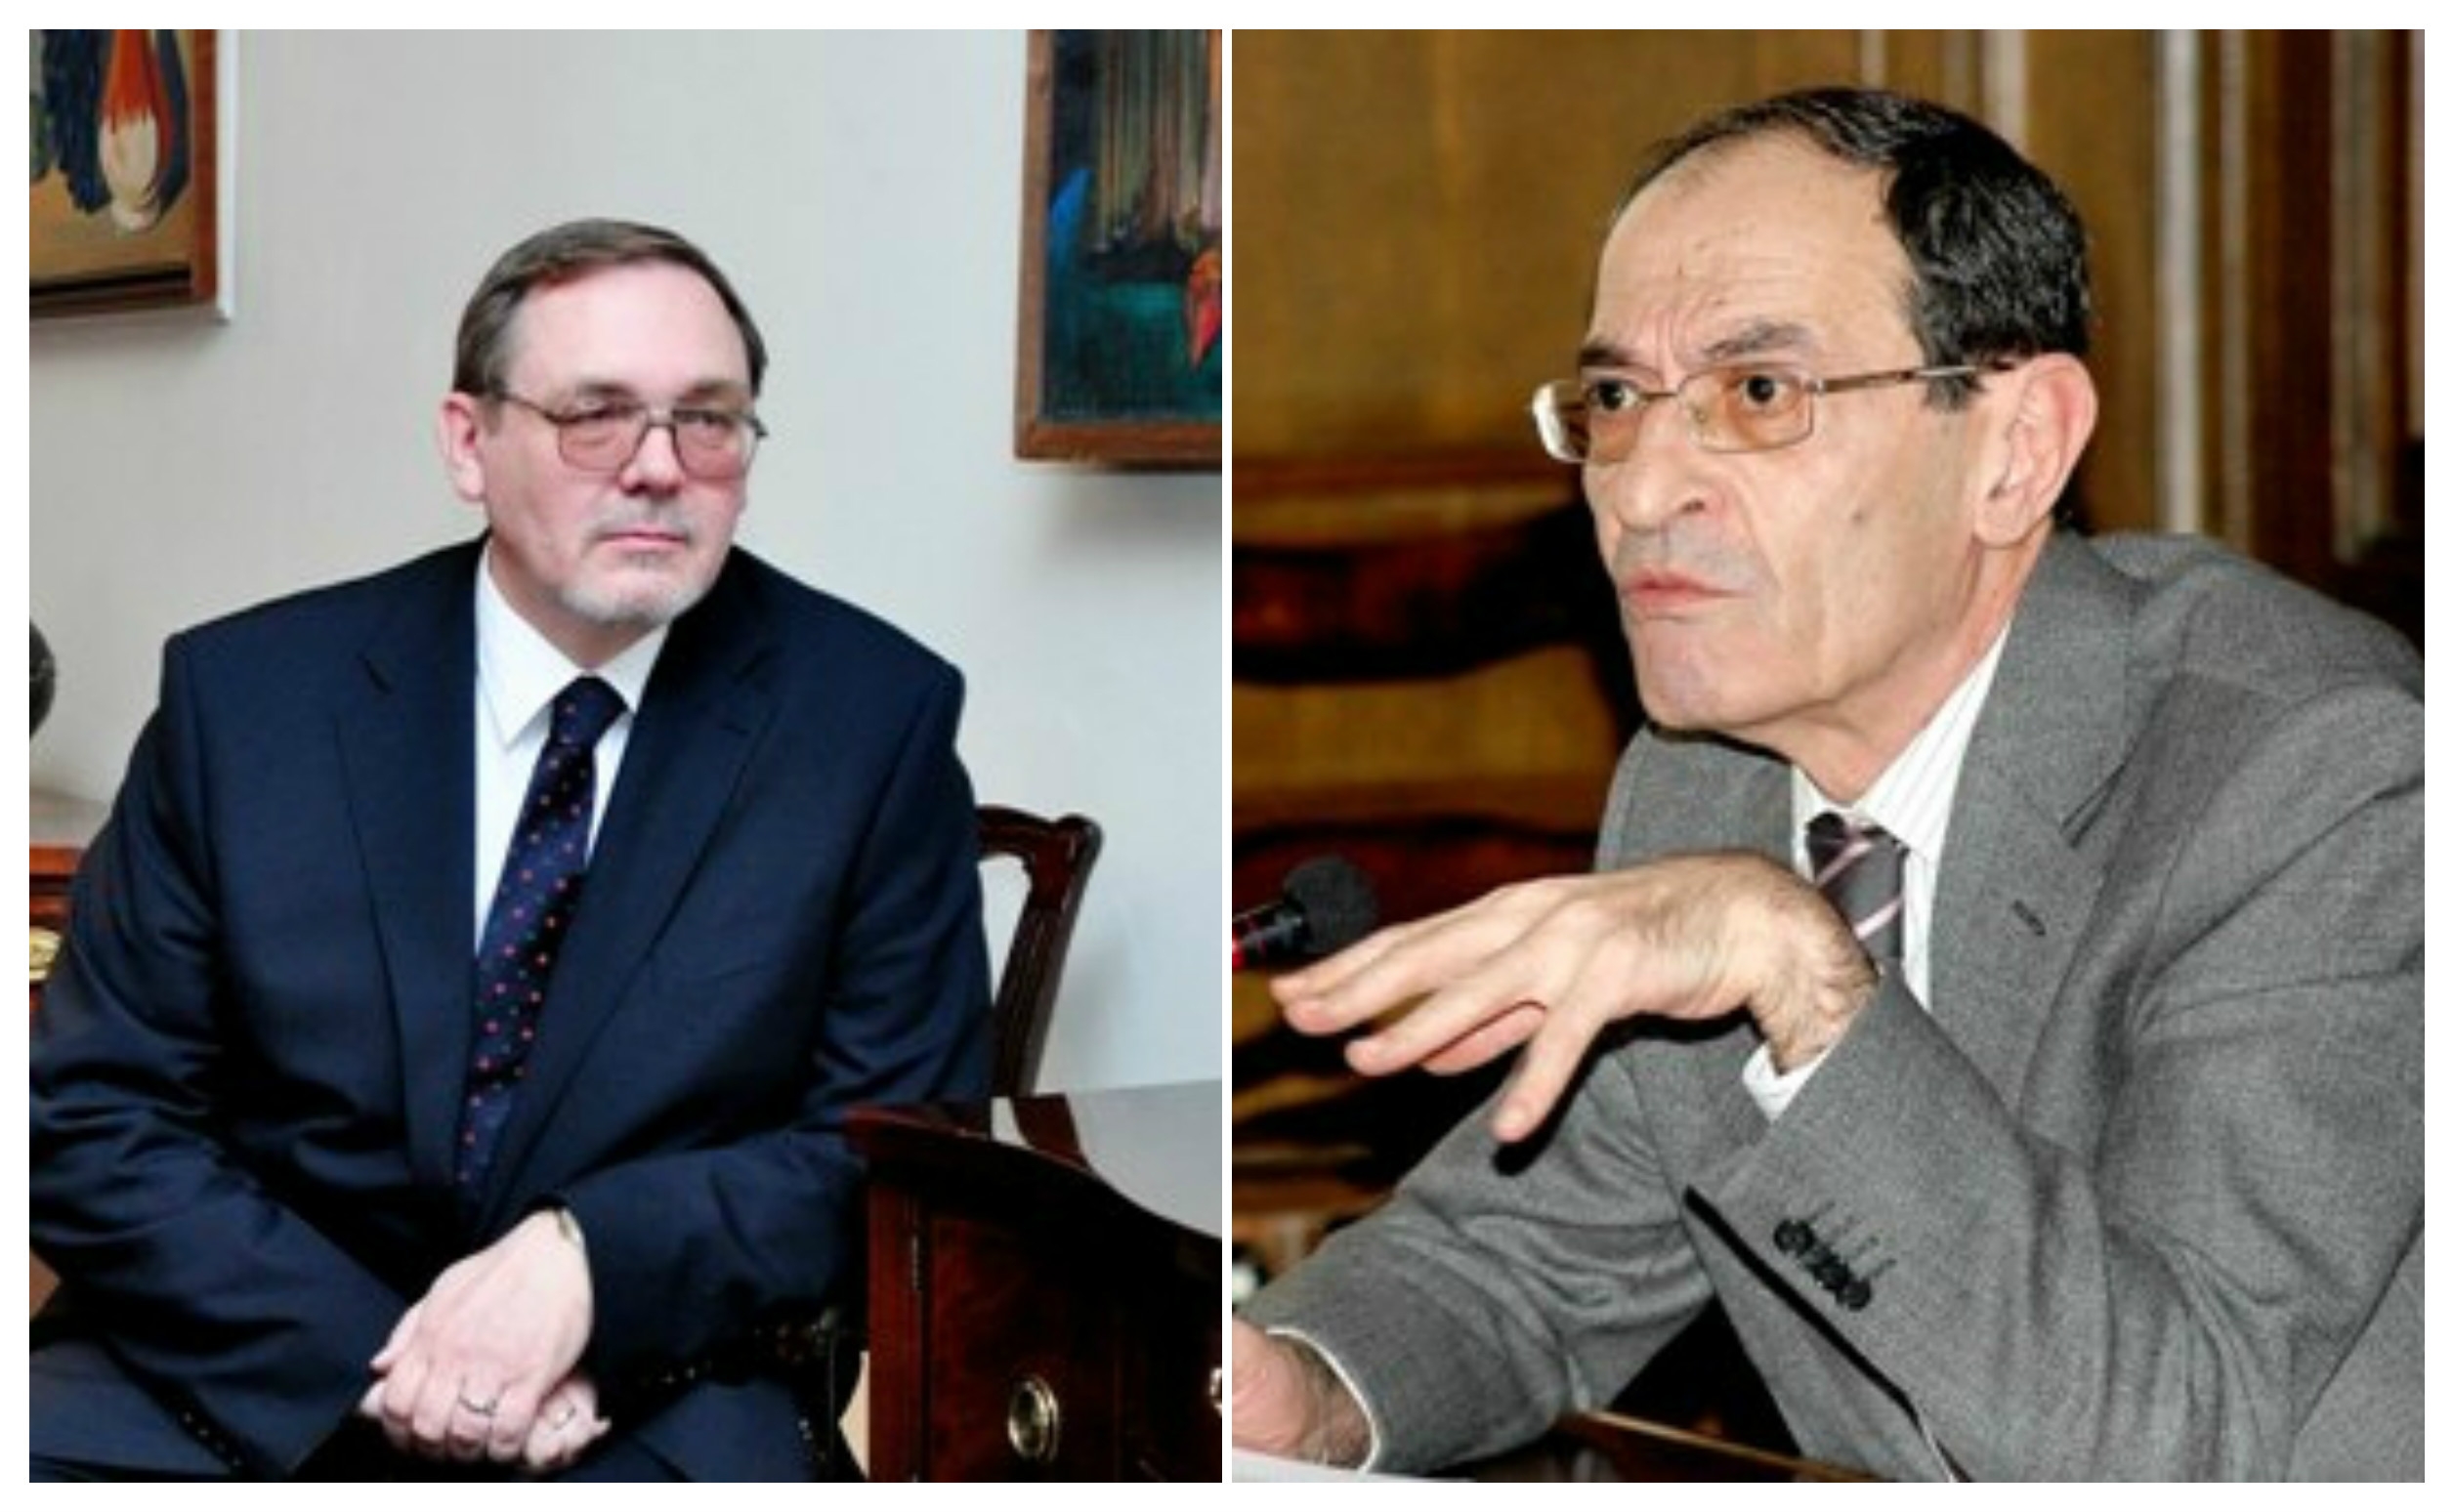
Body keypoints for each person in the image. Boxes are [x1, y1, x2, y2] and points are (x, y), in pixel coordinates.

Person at [1232, 88, 2421, 1481]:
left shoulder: (2310, 775)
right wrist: (1304, 1390)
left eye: (1756, 395)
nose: (1642, 490)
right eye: (1615, 401)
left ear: (2016, 449)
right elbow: (1529, 1257)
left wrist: (1804, 978)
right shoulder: (1704, 784)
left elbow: (2175, 1450)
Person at [30, 219, 992, 1481]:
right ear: (467, 442)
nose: (659, 468)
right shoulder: (247, 702)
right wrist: (399, 1368)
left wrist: (592, 1263)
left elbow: (892, 1155)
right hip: (243, 1360)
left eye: (708, 420)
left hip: (647, 1382)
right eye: (595, 416)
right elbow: (93, 1115)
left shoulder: (871, 724)